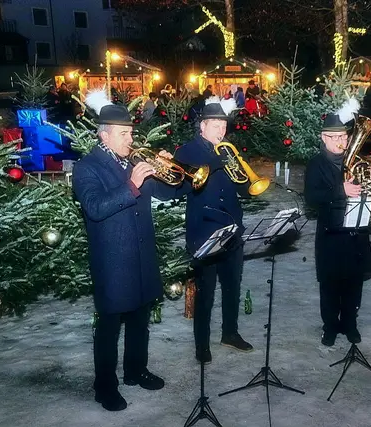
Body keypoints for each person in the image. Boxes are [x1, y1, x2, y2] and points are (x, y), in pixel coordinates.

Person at [73, 91, 188, 411]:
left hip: (141, 256)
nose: (131, 139)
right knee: (109, 328)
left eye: (131, 133)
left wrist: (173, 169)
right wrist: (132, 184)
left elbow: (166, 193)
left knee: (140, 321)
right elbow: (95, 207)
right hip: (112, 261)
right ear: (104, 136)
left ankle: (136, 370)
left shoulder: (134, 162)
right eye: (124, 134)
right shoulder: (87, 167)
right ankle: (104, 387)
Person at [174, 97, 254, 364]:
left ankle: (230, 333)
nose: (221, 130)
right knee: (205, 292)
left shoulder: (229, 151)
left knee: (232, 286)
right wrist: (219, 160)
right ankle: (202, 344)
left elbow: (245, 188)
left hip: (232, 230)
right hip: (203, 231)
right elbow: (184, 184)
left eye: (224, 125)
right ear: (202, 126)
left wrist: (245, 177)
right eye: (216, 125)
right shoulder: (187, 151)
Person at [304, 99, 371, 346]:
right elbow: (311, 197)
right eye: (334, 137)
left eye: (344, 137)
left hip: (356, 233)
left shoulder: (359, 161)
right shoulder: (316, 164)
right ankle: (330, 327)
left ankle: (350, 324)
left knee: (354, 284)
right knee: (330, 285)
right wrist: (341, 190)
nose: (340, 141)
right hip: (331, 234)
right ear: (324, 138)